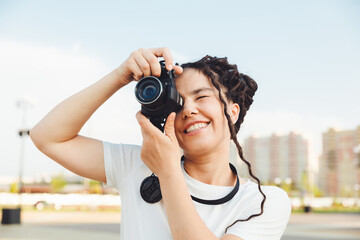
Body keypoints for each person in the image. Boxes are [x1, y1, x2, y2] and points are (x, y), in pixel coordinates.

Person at [30, 47, 291, 240]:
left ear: (233, 112)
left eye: (201, 97)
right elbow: (48, 137)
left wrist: (168, 172)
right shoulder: (138, 165)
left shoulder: (264, 202)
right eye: (178, 101)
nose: (188, 110)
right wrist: (119, 77)